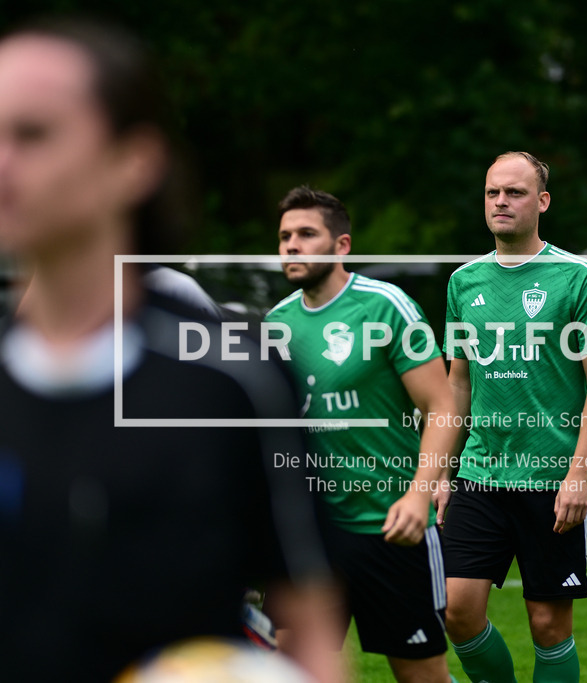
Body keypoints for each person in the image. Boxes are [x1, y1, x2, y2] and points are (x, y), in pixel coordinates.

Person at [0, 17, 342, 682]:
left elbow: (311, 625)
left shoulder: (235, 378)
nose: (4, 161)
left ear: (134, 162)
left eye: (33, 134)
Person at [437, 151, 587, 682]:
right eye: (493, 192)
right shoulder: (464, 281)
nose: (501, 201)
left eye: (514, 192)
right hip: (480, 474)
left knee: (548, 625)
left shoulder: (578, 277)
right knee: (455, 610)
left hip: (552, 479)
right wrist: (441, 472)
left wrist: (579, 474)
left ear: (542, 202)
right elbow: (458, 383)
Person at [265, 186, 459, 683]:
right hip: (312, 535)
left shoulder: (386, 307)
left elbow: (442, 406)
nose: (292, 245)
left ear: (341, 245)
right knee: (288, 670)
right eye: (285, 236)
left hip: (390, 526)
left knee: (420, 676)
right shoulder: (275, 324)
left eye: (306, 234)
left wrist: (419, 494)